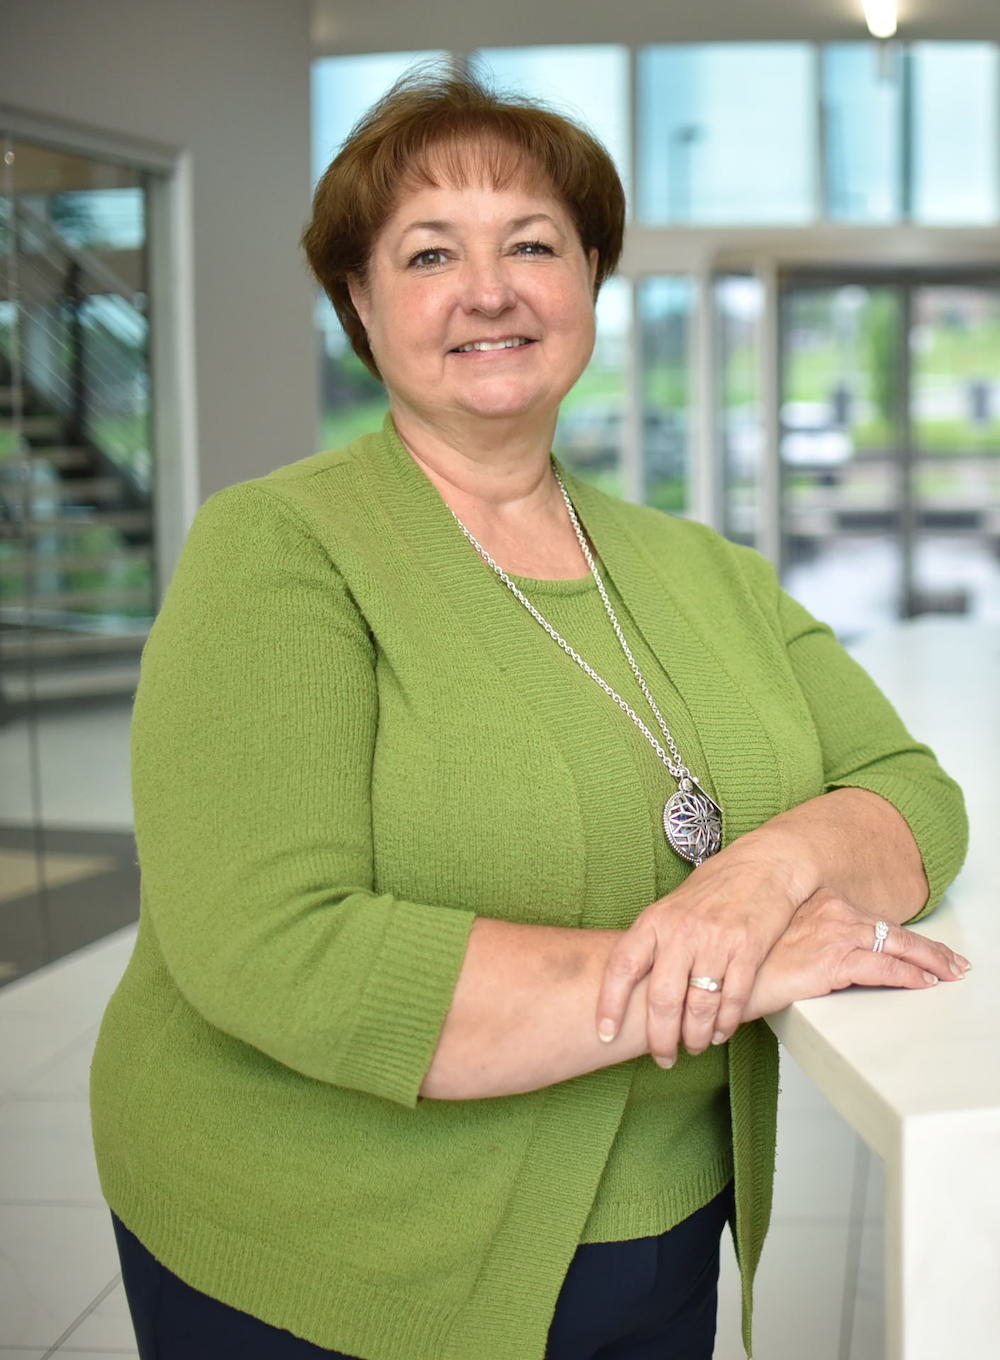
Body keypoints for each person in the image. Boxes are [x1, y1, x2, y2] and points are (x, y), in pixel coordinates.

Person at [90, 70, 969, 1360]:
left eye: (532, 244)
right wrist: (726, 973)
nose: (488, 289)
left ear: (592, 279)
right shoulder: (279, 550)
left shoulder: (699, 567)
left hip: (663, 1221)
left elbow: (911, 791)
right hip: (332, 1245)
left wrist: (758, 878)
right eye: (430, 251)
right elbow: (276, 949)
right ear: (361, 302)